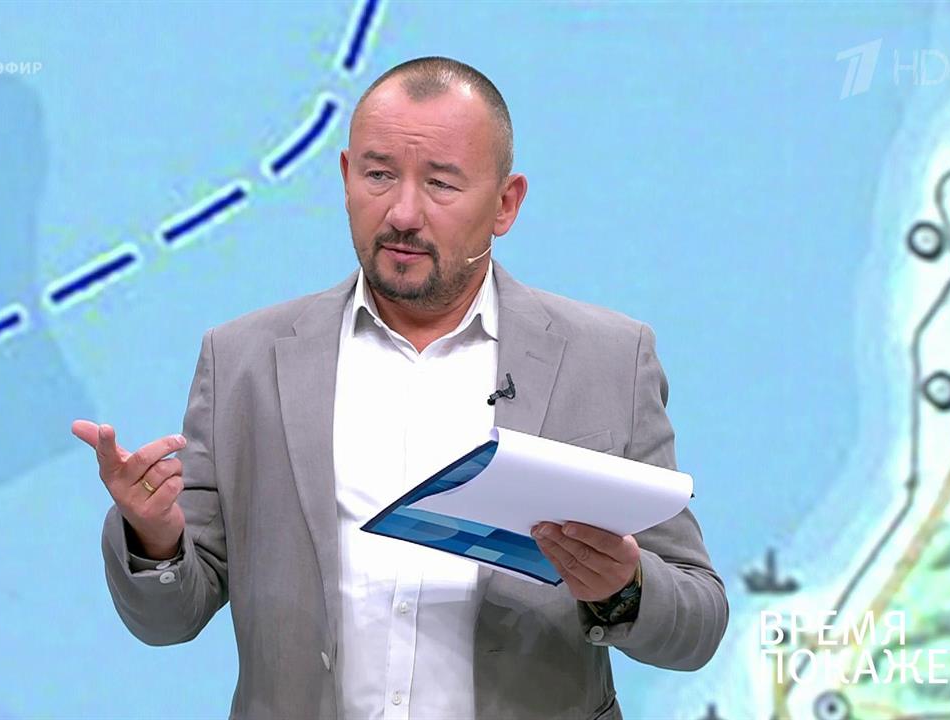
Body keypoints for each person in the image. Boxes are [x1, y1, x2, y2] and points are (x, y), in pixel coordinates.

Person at [72, 56, 727, 720]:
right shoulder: (243, 360)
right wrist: (153, 538)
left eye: (441, 183)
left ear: (506, 203)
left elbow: (698, 624)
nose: (403, 213)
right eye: (379, 175)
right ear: (345, 177)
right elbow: (168, 620)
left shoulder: (607, 359)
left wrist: (623, 587)